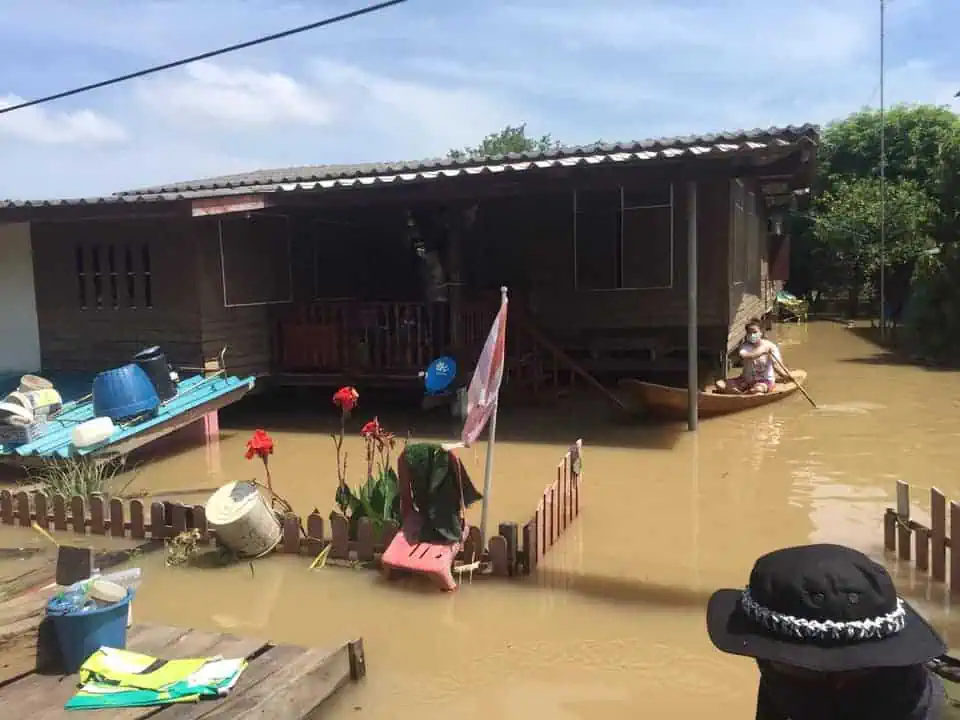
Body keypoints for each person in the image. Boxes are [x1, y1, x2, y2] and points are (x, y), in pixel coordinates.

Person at [706, 543, 949, 720]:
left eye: (778, 661)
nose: (765, 666)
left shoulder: (799, 693)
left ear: (839, 678)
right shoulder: (797, 691)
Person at [716, 319, 784, 394]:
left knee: (757, 389)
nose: (752, 335)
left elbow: (777, 365)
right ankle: (740, 394)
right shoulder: (744, 346)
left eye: (755, 332)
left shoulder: (771, 346)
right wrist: (762, 351)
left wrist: (785, 376)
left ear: (761, 332)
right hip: (745, 380)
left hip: (764, 381)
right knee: (719, 384)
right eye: (749, 333)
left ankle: (744, 393)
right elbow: (747, 356)